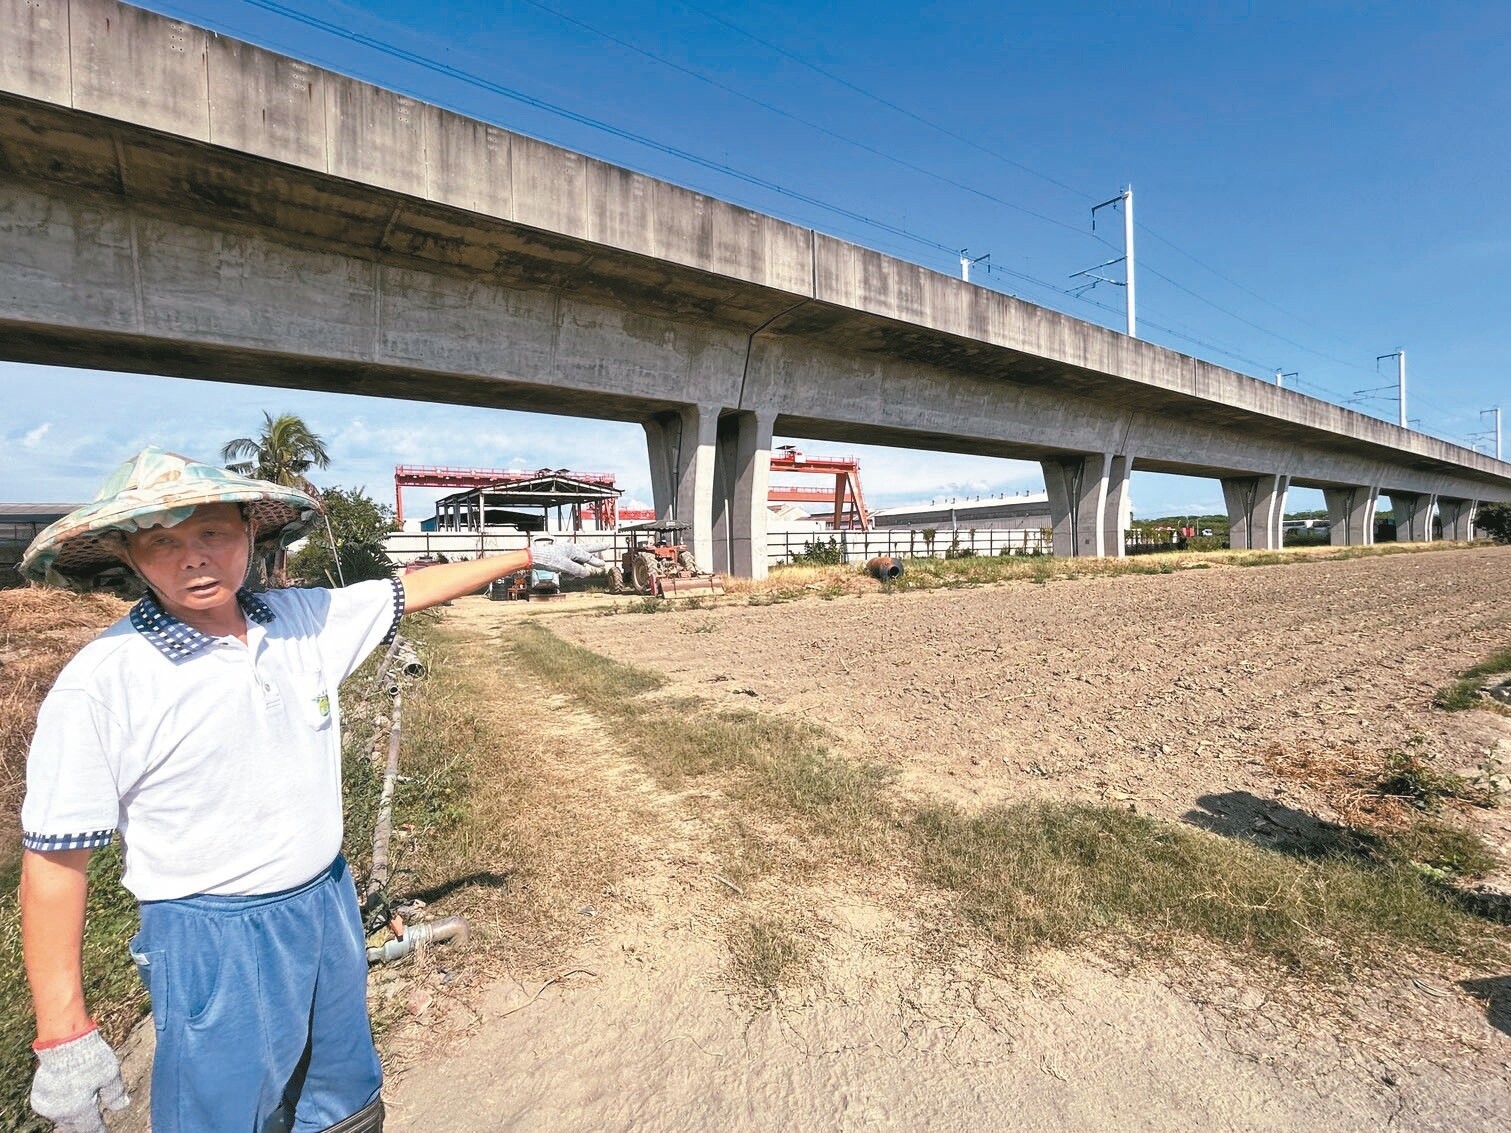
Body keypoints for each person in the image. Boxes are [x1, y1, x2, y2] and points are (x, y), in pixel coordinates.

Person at [16, 447, 607, 1133]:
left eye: (212, 531)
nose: (194, 557)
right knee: (225, 1113)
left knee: (342, 1098)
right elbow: (56, 861)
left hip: (325, 903)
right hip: (213, 935)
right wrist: (64, 1033)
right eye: (163, 541)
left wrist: (526, 556)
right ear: (128, 554)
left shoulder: (301, 620)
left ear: (249, 531)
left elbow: (407, 588)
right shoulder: (106, 679)